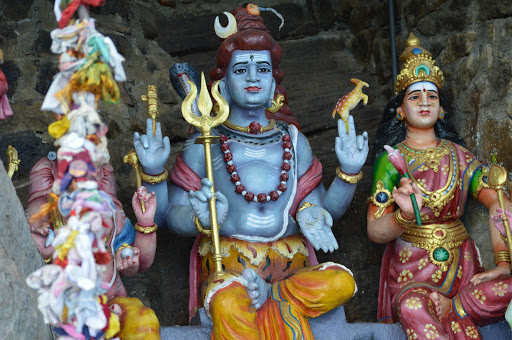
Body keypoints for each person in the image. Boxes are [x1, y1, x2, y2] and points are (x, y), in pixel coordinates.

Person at [134, 5, 368, 339]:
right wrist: (198, 214)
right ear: (223, 85)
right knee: (229, 306)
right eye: (242, 70)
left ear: (275, 83)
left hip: (291, 266)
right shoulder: (207, 140)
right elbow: (170, 215)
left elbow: (325, 209)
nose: (254, 77)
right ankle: (262, 297)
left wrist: (347, 172)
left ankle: (273, 295)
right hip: (230, 267)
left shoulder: (293, 140)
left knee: (341, 282)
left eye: (263, 69)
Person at [367, 33, 512, 339]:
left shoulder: (459, 155)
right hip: (412, 271)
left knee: (506, 287)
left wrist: (502, 261)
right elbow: (375, 230)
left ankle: (454, 307)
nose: (424, 102)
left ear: (441, 109)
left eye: (431, 96)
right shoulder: (390, 160)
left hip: (463, 268)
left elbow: (498, 201)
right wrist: (404, 217)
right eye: (415, 96)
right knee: (412, 308)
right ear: (400, 109)